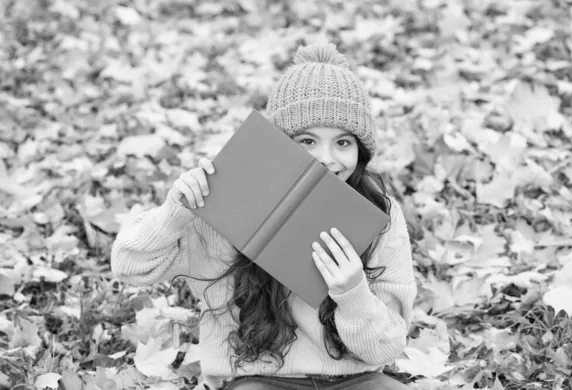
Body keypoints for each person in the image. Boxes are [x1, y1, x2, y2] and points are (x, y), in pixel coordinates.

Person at [111, 42, 417, 390]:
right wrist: (173, 215)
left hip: (355, 380)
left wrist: (353, 293)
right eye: (307, 141)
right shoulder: (228, 202)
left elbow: (388, 347)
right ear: (279, 143)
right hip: (258, 380)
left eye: (343, 143)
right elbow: (128, 266)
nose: (327, 158)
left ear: (360, 151)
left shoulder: (379, 216)